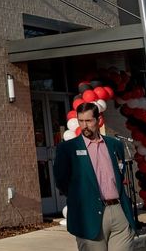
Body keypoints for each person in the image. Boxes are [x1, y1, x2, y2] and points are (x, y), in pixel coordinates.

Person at [54, 102, 137, 250]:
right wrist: (82, 198)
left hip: (119, 211)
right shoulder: (68, 148)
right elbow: (61, 181)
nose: (84, 125)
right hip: (89, 214)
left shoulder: (114, 145)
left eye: (89, 121)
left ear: (98, 120)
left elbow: (120, 173)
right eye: (81, 121)